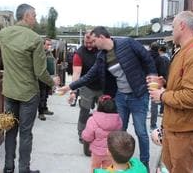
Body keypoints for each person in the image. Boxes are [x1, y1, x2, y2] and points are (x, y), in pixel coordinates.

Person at [58, 26, 156, 171]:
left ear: (102, 37)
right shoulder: (101, 56)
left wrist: (152, 74)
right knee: (118, 131)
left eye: (94, 40)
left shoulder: (128, 43)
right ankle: (119, 164)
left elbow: (147, 59)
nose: (93, 44)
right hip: (121, 97)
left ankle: (144, 164)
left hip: (138, 95)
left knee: (141, 131)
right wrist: (70, 87)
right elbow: (90, 75)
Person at [0, 3, 59, 173]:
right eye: (34, 16)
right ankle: (23, 169)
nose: (35, 19)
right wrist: (53, 81)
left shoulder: (3, 34)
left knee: (10, 130)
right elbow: (40, 71)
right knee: (26, 133)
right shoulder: (35, 39)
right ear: (26, 16)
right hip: (28, 94)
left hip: (10, 92)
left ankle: (8, 168)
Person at [149, 11, 193, 173]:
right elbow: (183, 85)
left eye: (173, 27)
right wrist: (164, 83)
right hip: (175, 127)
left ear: (182, 26)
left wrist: (163, 95)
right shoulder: (182, 51)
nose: (171, 30)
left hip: (186, 131)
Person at [69, 31, 103, 145]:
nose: (88, 45)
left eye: (90, 43)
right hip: (87, 86)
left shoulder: (101, 49)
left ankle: (102, 134)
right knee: (84, 110)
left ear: (95, 39)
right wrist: (73, 91)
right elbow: (76, 74)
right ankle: (82, 133)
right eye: (85, 42)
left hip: (102, 85)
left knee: (104, 112)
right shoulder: (79, 53)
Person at [82, 95, 123, 172]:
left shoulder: (93, 120)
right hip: (111, 151)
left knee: (95, 168)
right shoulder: (119, 120)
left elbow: (87, 136)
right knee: (108, 169)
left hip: (97, 152)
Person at [148, 42, 169, 130]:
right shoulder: (160, 59)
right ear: (158, 49)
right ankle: (153, 125)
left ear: (150, 48)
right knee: (154, 104)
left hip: (145, 80)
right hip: (155, 82)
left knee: (142, 102)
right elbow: (163, 72)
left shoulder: (146, 57)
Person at [37, 38, 55, 121]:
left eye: (50, 44)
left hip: (48, 77)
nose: (49, 46)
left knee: (46, 94)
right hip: (41, 77)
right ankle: (41, 113)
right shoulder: (40, 53)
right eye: (48, 44)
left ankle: (44, 108)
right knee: (42, 95)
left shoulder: (49, 53)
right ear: (43, 45)